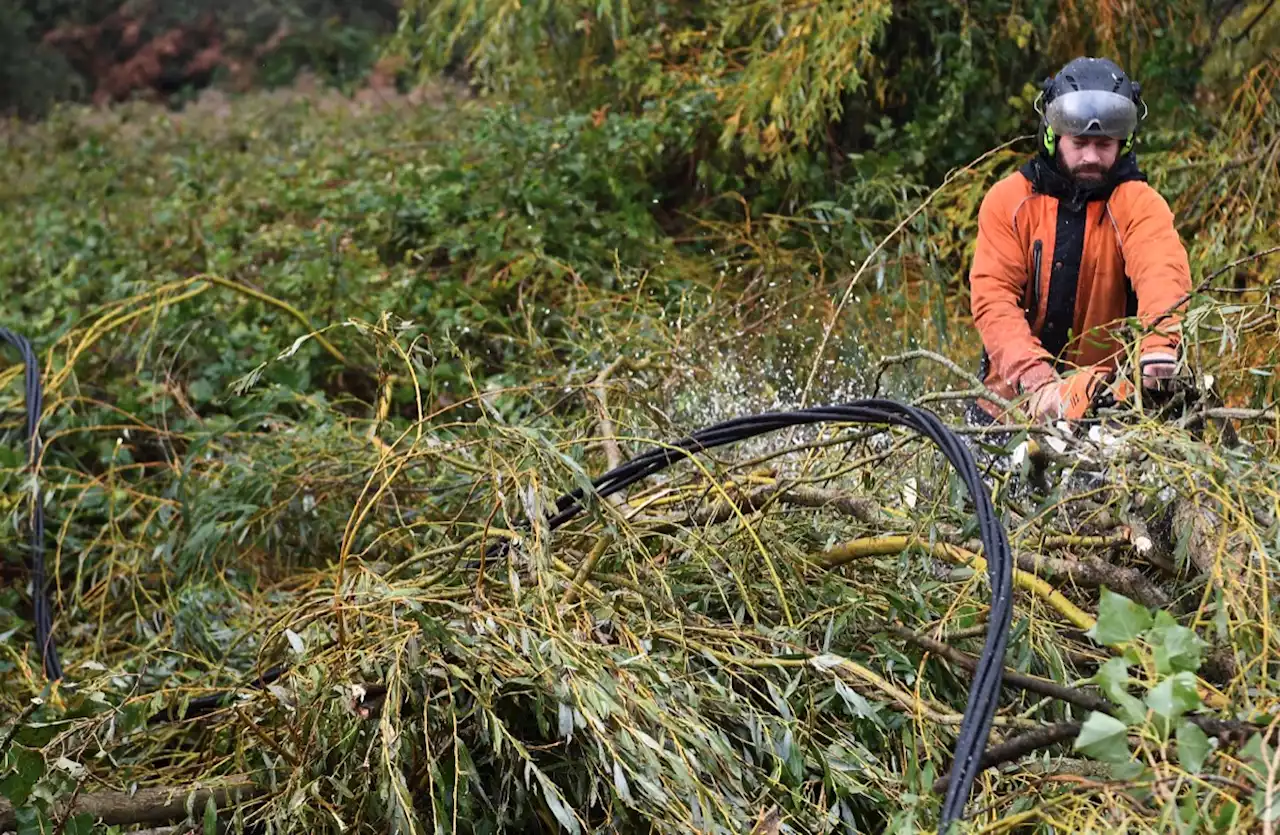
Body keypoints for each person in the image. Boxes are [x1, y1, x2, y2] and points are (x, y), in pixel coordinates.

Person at [967, 56, 1193, 425]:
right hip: (1006, 409)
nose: (1091, 156)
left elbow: (1161, 271)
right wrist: (1031, 374)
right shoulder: (1009, 201)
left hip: (1102, 411)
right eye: (1080, 142)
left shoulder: (1139, 204)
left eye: (1104, 144)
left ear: (1124, 141)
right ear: (1054, 135)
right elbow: (993, 298)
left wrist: (1158, 343)